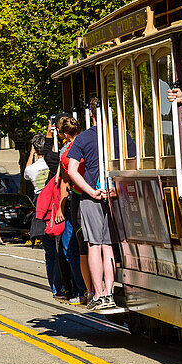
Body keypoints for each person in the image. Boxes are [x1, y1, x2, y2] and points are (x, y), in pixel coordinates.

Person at [65, 105, 124, 310]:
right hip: (114, 195)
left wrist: (90, 191)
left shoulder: (83, 138)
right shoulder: (122, 135)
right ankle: (109, 292)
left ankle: (98, 294)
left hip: (92, 197)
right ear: (113, 112)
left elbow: (72, 171)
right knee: (108, 246)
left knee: (93, 245)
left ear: (91, 113)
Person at [55, 116, 89, 304]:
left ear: (63, 134)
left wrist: (61, 206)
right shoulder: (90, 141)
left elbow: (66, 180)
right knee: (77, 247)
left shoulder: (67, 151)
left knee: (74, 248)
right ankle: (86, 289)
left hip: (78, 198)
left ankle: (85, 290)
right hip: (85, 196)